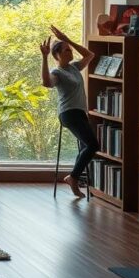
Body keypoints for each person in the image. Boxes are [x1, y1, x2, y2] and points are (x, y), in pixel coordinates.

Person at [39, 25, 97, 199]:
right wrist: (44, 57)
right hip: (68, 114)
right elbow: (47, 83)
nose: (70, 52)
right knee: (93, 145)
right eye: (66, 50)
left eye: (70, 50)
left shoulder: (74, 67)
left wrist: (68, 39)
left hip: (80, 113)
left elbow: (90, 55)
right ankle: (73, 177)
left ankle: (73, 178)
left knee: (88, 145)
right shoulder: (57, 72)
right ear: (57, 55)